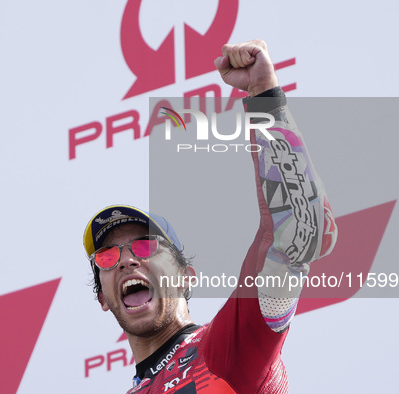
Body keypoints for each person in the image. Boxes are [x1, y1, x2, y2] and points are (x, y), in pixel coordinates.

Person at [83, 39, 338, 393]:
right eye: (108, 256)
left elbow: (298, 230)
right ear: (103, 299)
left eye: (143, 246)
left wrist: (264, 97)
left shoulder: (226, 350)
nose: (126, 260)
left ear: (187, 277)